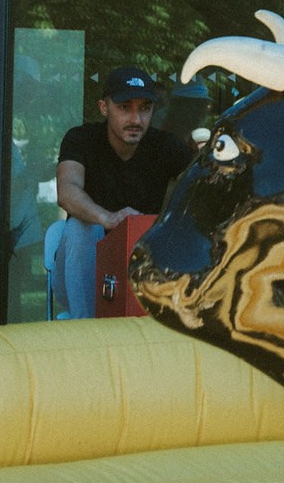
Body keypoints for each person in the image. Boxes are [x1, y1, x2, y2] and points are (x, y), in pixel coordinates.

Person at [52, 67, 189, 319]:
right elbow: (67, 191)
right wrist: (109, 219)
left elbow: (202, 187)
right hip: (84, 271)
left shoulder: (165, 145)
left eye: (145, 108)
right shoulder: (81, 138)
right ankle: (88, 334)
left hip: (138, 269)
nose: (136, 119)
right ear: (104, 108)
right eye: (125, 107)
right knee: (80, 228)